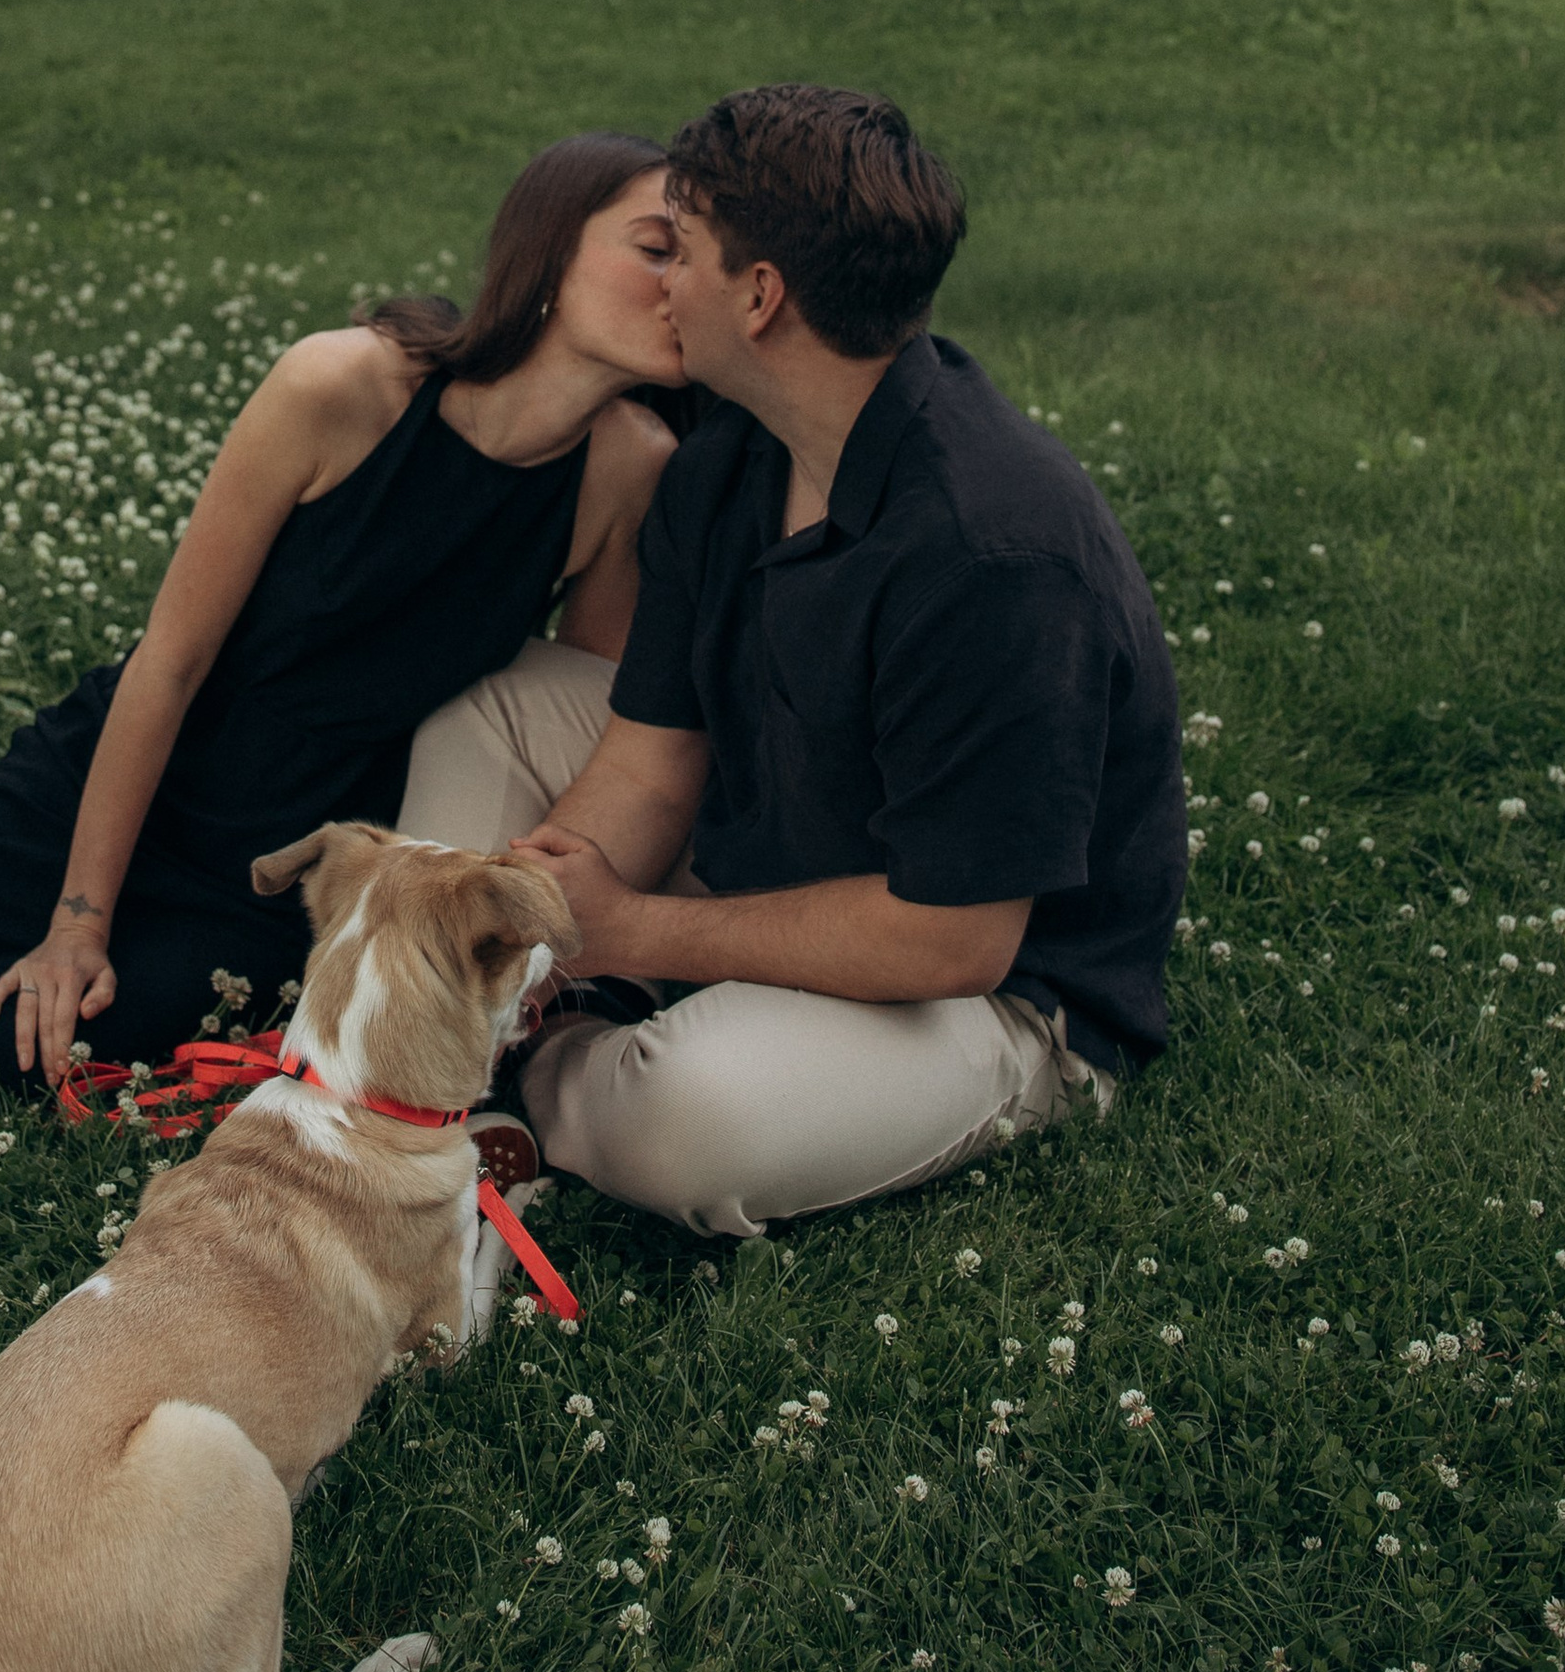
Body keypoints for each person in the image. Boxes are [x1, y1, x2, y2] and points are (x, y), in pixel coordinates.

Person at [0, 136, 682, 1105]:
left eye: (699, 259)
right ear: (549, 251)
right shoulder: (343, 385)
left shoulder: (626, 467)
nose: (683, 283)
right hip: (128, 783)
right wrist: (78, 922)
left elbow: (564, 736)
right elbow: (170, 662)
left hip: (272, 881)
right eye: (654, 248)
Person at [398, 83, 1186, 1241]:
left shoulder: (991, 547)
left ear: (759, 296)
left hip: (994, 987)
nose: (664, 280)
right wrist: (540, 902)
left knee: (689, 1116)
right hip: (779, 848)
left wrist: (627, 934)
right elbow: (653, 761)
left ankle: (549, 1065)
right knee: (493, 707)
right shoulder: (729, 455)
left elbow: (955, 936)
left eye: (685, 252)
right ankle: (426, 1007)